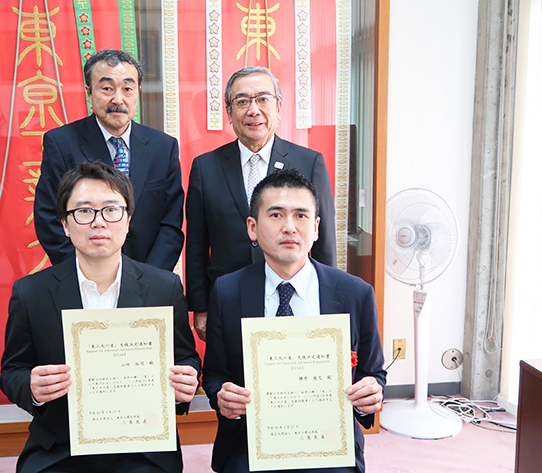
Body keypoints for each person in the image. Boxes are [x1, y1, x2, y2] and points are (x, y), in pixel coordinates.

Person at [1, 162, 200, 473]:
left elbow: (186, 357)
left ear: (128, 220)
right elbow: (12, 369)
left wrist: (186, 379)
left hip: (142, 445)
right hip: (61, 445)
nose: (98, 222)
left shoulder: (164, 287)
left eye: (111, 210)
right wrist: (31, 387)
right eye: (83, 211)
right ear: (65, 224)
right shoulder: (31, 293)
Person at [202, 168, 385, 473]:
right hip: (250, 445)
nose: (289, 227)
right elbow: (214, 375)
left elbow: (373, 373)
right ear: (252, 227)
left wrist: (372, 392)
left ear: (315, 228)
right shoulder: (228, 291)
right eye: (276, 215)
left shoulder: (355, 293)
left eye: (301, 216)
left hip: (328, 444)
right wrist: (222, 397)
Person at [186, 67, 336, 341]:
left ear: (279, 108)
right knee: (234, 375)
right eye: (242, 101)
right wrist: (200, 307)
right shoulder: (205, 167)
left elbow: (323, 238)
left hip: (291, 295)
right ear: (229, 113)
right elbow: (196, 243)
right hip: (228, 295)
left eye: (263, 99)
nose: (253, 110)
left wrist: (329, 298)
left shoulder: (309, 162)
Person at [34, 48, 184, 271]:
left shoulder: (163, 147)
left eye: (127, 89)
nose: (118, 99)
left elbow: (171, 223)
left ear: (138, 91)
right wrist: (83, 273)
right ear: (89, 92)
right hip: (85, 279)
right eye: (106, 88)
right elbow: (49, 216)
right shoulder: (61, 143)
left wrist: (151, 278)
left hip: (148, 279)